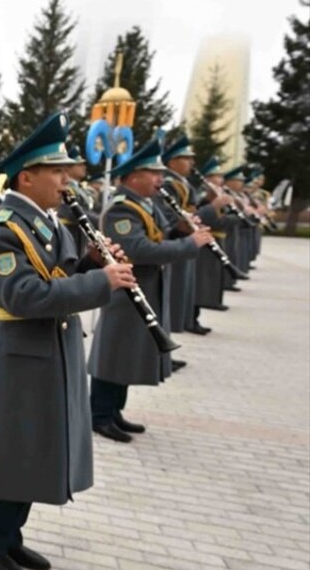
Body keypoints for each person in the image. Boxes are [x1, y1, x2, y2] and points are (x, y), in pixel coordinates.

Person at [0, 112, 134, 570]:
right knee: (12, 450)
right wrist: (99, 283)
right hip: (21, 354)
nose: (67, 179)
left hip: (51, 352)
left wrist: (91, 262)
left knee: (33, 449)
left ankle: (8, 533)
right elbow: (23, 295)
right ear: (28, 176)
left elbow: (56, 276)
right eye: (57, 171)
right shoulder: (4, 228)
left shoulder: (52, 224)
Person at [87, 138, 210, 443]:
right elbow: (139, 250)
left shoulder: (143, 204)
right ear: (133, 177)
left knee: (126, 354)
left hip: (143, 290)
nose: (160, 179)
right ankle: (99, 415)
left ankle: (114, 411)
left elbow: (157, 234)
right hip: (125, 293)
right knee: (114, 353)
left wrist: (180, 229)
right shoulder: (120, 209)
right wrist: (188, 244)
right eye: (153, 173)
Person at [160, 136, 202, 342]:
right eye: (186, 158)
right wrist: (181, 226)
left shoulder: (182, 183)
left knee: (178, 293)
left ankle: (176, 332)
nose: (191, 162)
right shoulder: (168, 184)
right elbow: (166, 218)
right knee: (172, 295)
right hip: (173, 243)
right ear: (172, 161)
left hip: (183, 241)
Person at [192, 157, 237, 318]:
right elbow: (206, 219)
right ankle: (195, 315)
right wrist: (227, 215)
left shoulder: (217, 195)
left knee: (215, 276)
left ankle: (214, 301)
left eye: (221, 176)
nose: (220, 180)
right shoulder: (203, 196)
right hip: (204, 241)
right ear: (208, 178)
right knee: (202, 280)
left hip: (216, 239)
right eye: (216, 176)